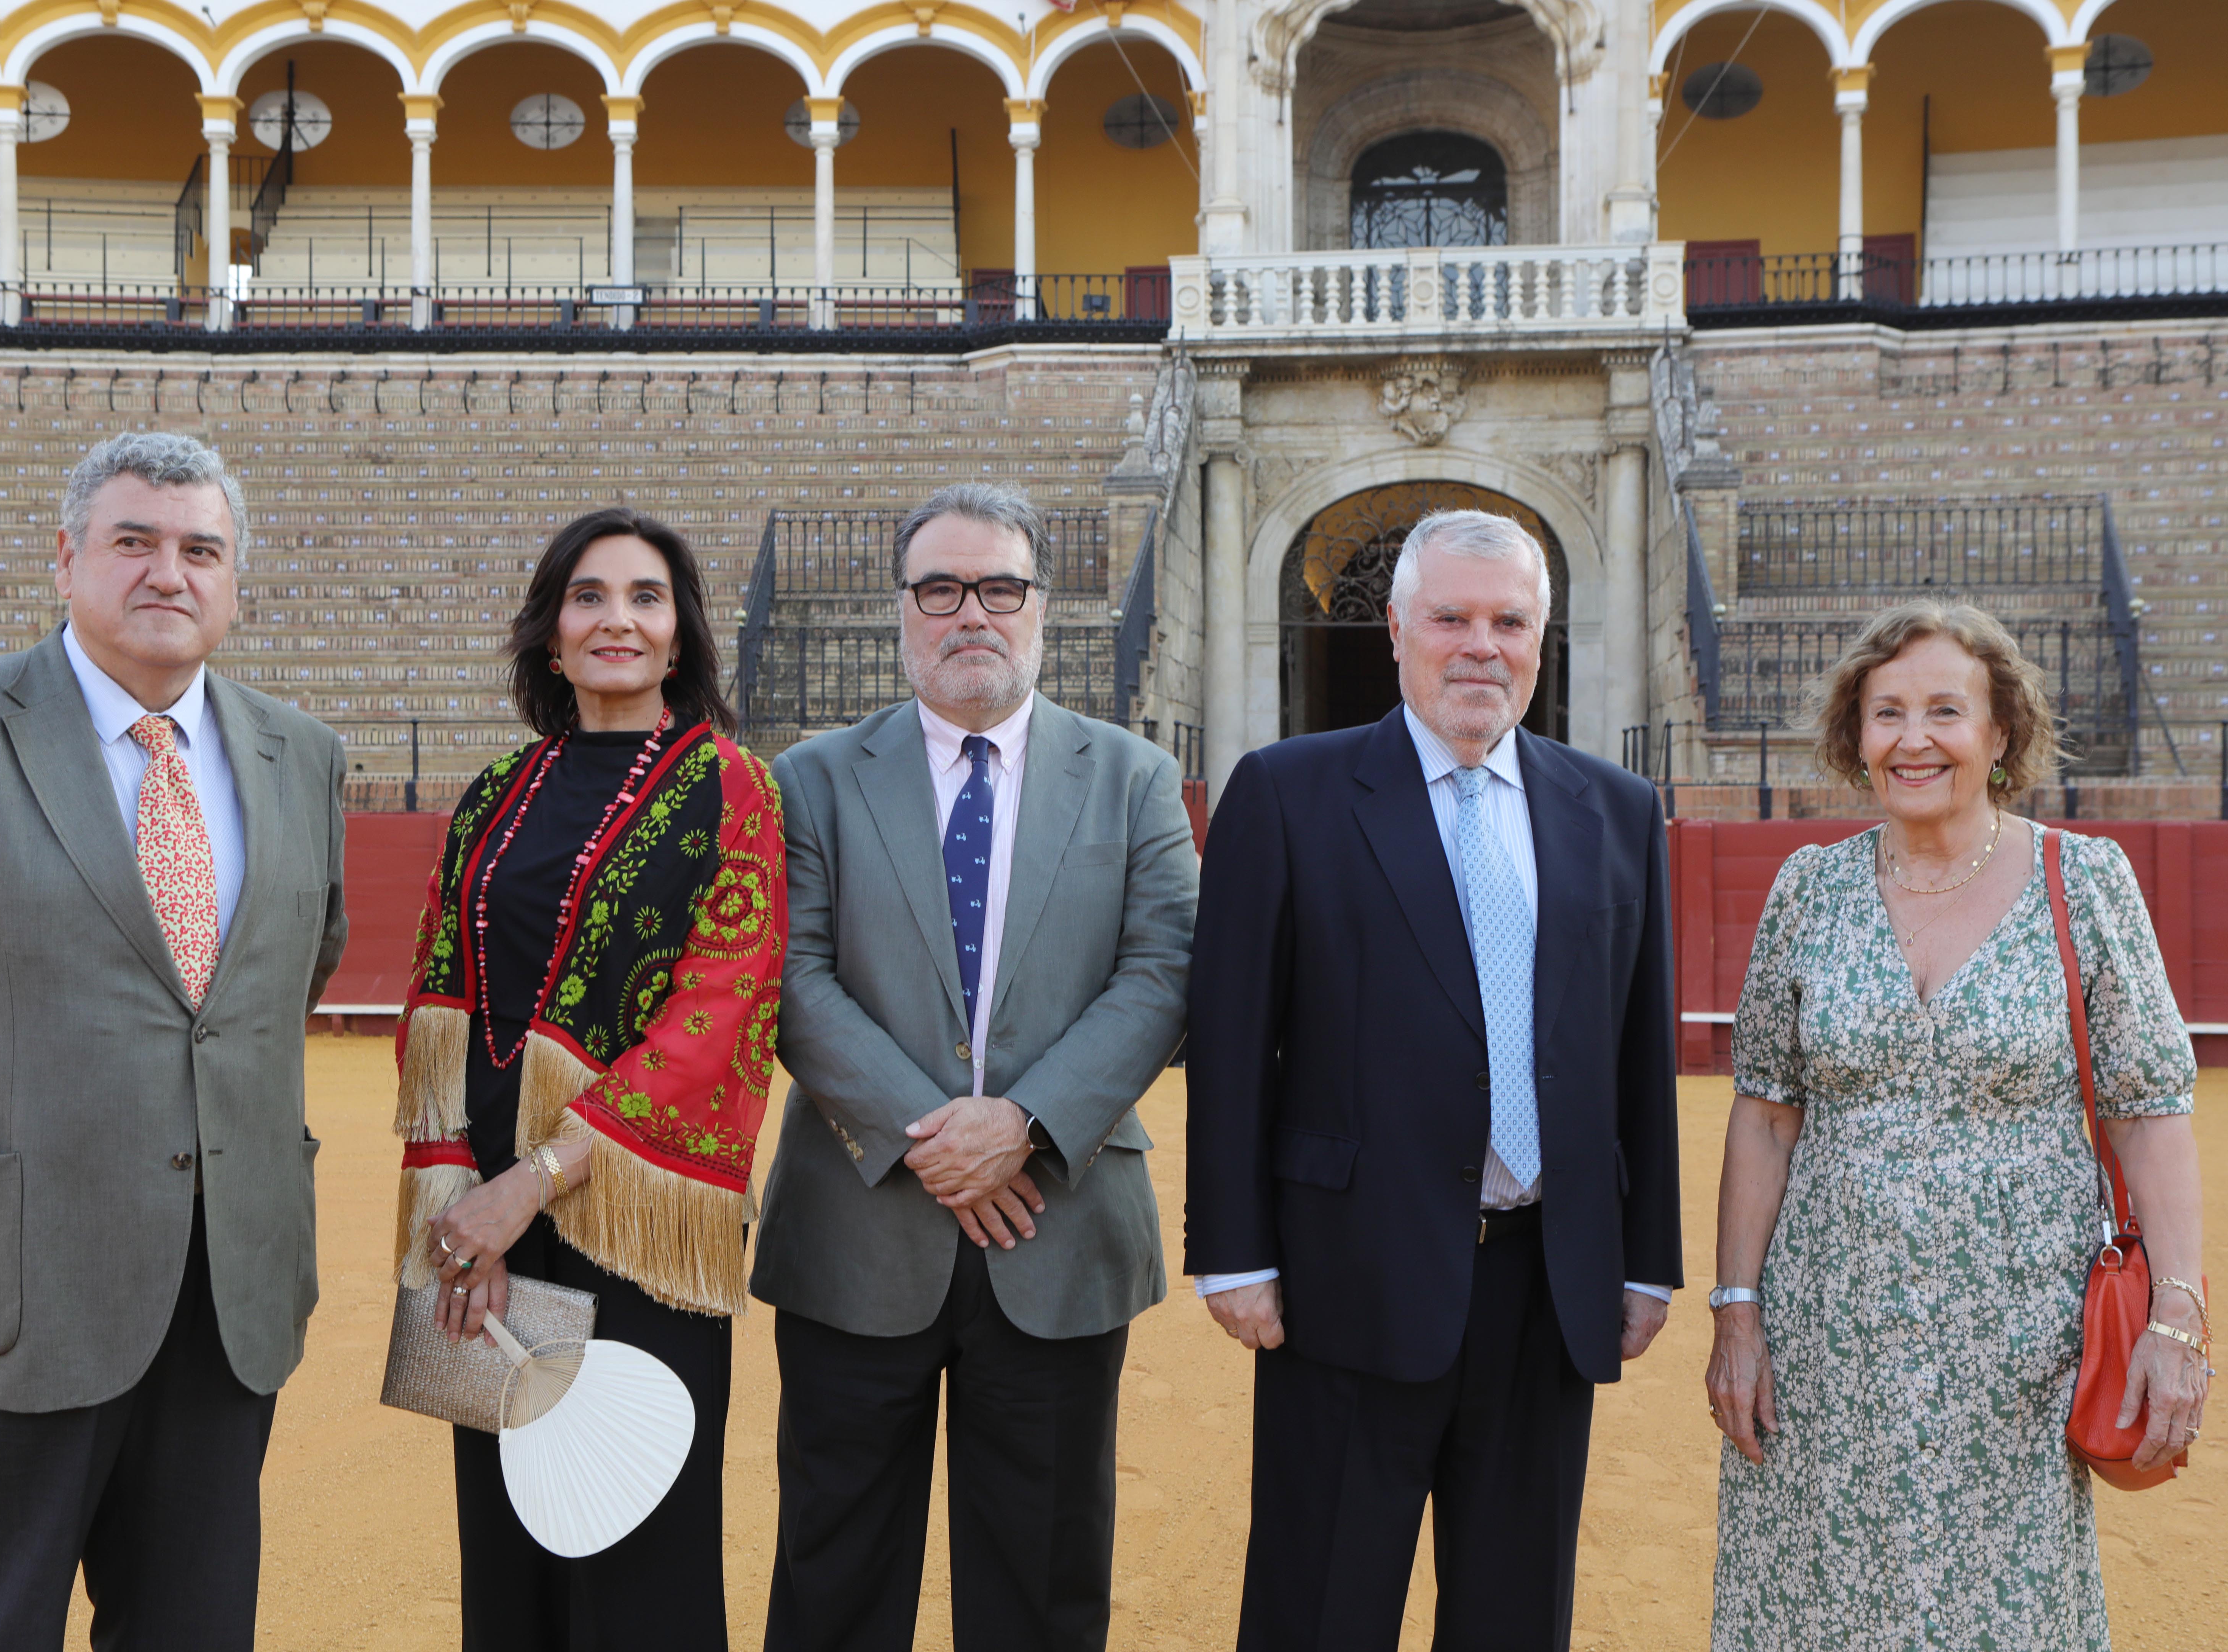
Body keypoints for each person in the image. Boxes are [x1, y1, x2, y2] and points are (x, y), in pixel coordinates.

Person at [0, 432, 347, 1650]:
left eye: (201, 551)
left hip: (220, 1296)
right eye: (133, 541)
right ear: (66, 559)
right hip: (1, 1288)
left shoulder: (302, 757)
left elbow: (279, 985)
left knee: (195, 1631)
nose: (168, 574)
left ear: (234, 583)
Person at [1185, 507, 1681, 1652]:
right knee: (1320, 1615)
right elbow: (1232, 1035)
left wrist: (1644, 1258)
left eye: (1510, 622)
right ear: (1399, 630)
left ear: (1541, 639)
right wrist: (1235, 1251)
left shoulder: (1613, 809)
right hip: (1346, 1279)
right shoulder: (1287, 792)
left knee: (1515, 1620)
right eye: (1451, 618)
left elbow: (1634, 1055)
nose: (1480, 647)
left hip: (1548, 1286)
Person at [1705, 601, 2207, 1652]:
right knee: (1817, 1603)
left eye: (1945, 710)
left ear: (2000, 732)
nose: (1914, 739)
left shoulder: (2087, 882)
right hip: (1826, 1344)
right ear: (1856, 737)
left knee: (2007, 1618)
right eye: (1887, 712)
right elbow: (1765, 1117)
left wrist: (2175, 1318)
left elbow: (2149, 1115)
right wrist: (1738, 1315)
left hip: (2021, 1353)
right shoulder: (1809, 890)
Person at [750, 481, 1198, 1652]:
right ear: (902, 609)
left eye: (1000, 588)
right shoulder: (813, 778)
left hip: (1059, 1226)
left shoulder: (1134, 777)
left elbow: (1165, 971)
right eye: (940, 589)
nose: (971, 615)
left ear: (1041, 606)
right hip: (857, 1234)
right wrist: (934, 1134)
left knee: (1043, 1592)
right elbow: (789, 975)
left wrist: (1026, 1125)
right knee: (835, 1581)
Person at [393, 505, 785, 1652]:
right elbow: (437, 1006)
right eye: (589, 597)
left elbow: (721, 1012)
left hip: (632, 1223)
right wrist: (460, 1212)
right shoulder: (492, 793)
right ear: (552, 636)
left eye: (646, 598)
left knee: (636, 1556)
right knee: (507, 1547)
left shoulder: (734, 787)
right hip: (486, 1232)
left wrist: (534, 1181)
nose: (618, 619)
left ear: (680, 636)